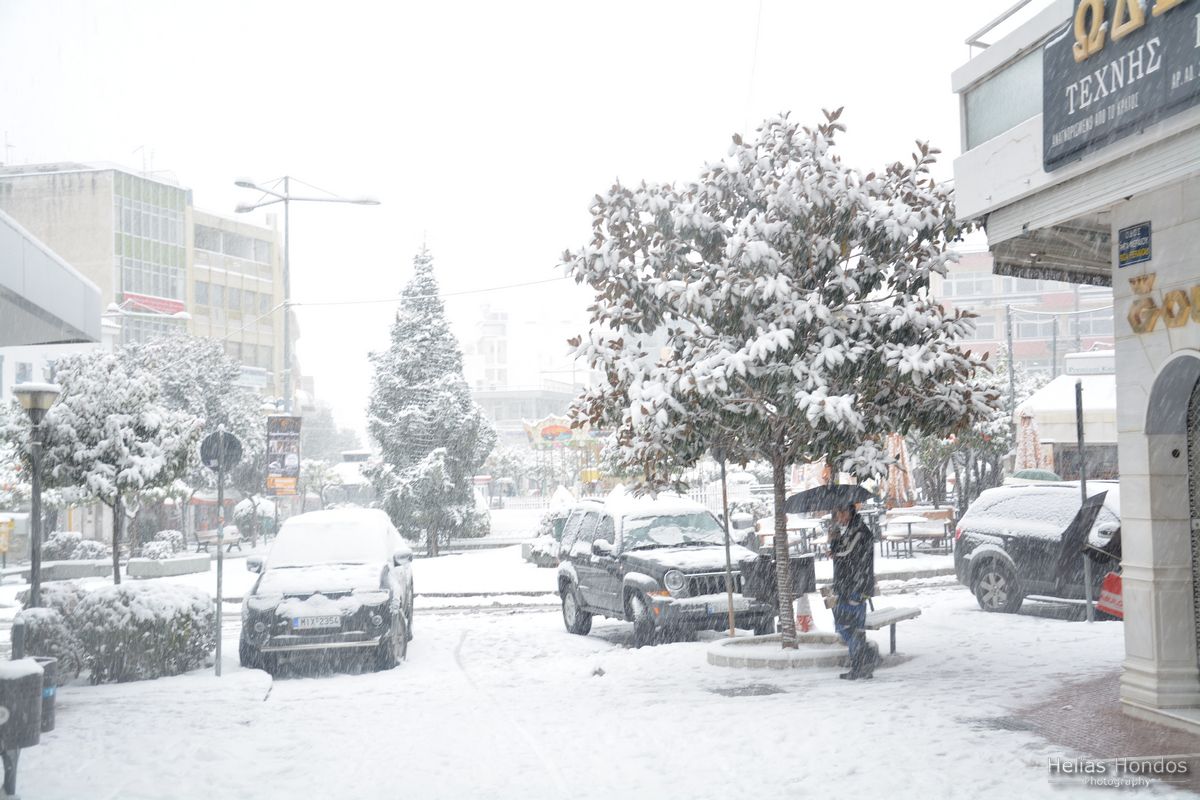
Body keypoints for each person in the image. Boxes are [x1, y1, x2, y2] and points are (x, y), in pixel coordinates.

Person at [829, 503, 879, 680]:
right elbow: (843, 552)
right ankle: (862, 664)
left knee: (848, 626)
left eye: (839, 514)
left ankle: (861, 663)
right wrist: (835, 543)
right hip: (850, 585)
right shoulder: (852, 530)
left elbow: (846, 553)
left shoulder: (859, 531)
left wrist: (835, 545)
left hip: (855, 586)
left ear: (847, 513)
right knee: (850, 627)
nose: (838, 518)